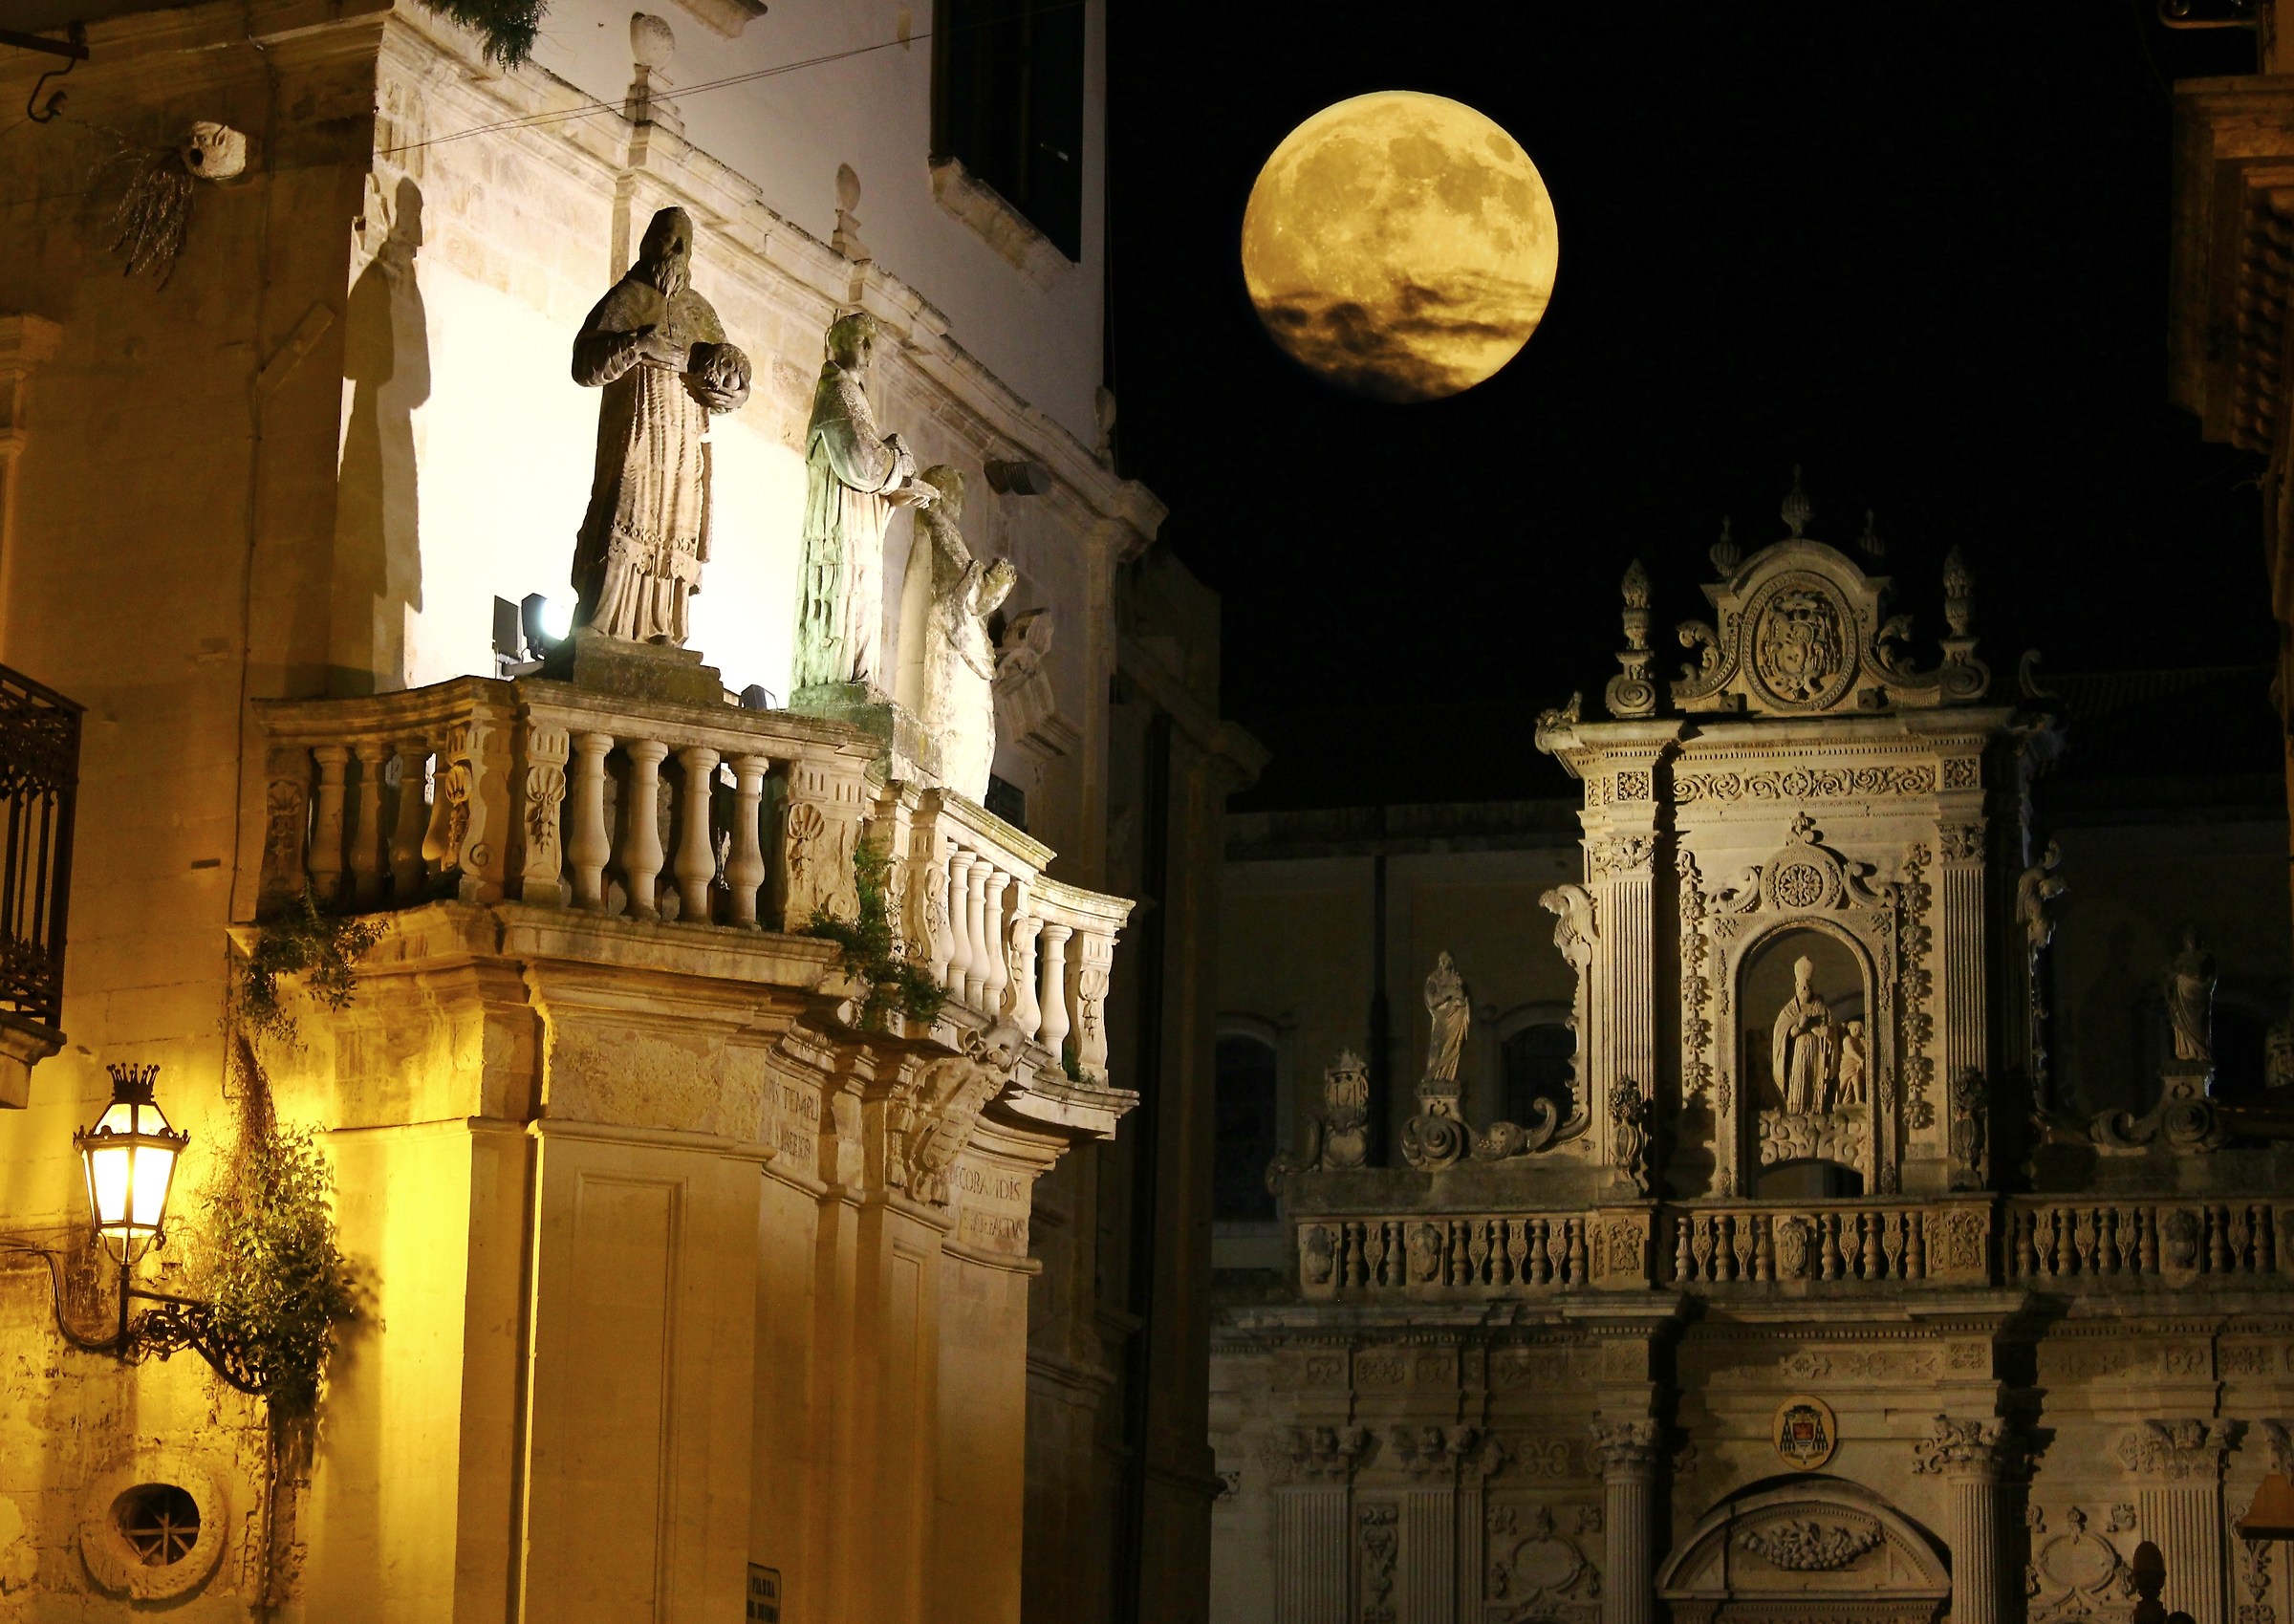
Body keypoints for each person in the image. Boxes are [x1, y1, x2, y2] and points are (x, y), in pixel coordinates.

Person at [569, 206, 749, 645]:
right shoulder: (627, 298)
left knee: (675, 522)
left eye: (685, 243)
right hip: (638, 428)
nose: (679, 251)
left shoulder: (699, 312)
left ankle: (663, 624)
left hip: (684, 436)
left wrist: (734, 392)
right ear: (649, 242)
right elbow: (584, 364)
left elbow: (731, 381)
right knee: (628, 507)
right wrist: (637, 344)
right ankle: (606, 616)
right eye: (670, 239)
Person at [793, 311, 922, 693]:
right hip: (841, 521)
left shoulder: (854, 394)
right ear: (838, 342)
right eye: (861, 340)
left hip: (858, 516)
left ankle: (856, 678)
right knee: (844, 596)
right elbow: (863, 463)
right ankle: (840, 680)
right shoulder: (836, 391)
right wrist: (899, 458)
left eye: (871, 342)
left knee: (862, 599)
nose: (869, 350)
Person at [1770, 956, 1833, 1114]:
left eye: (1807, 987)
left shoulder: (1821, 1009)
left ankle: (1815, 1109)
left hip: (1816, 1050)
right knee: (1799, 1078)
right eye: (1801, 987)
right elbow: (1783, 1034)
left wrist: (1827, 1032)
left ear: (1812, 987)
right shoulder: (1789, 1010)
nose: (1804, 990)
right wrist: (1800, 1026)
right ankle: (1796, 1110)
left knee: (1813, 1078)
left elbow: (1832, 1030)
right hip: (1797, 1051)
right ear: (1796, 986)